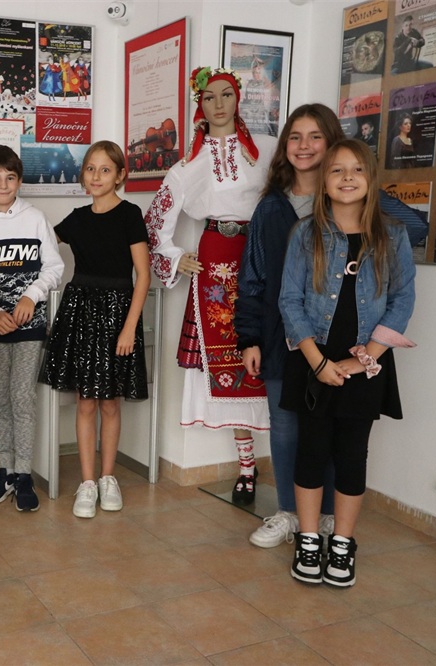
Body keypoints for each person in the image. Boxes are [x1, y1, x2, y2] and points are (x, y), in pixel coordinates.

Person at [236, 103, 428, 549]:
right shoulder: (274, 208)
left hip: (351, 347)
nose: (304, 146)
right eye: (295, 137)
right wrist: (249, 335)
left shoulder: (365, 207)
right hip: (287, 336)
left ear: (332, 144)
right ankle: (291, 514)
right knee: (290, 429)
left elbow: (413, 229)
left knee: (337, 435)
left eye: (315, 137)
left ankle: (327, 520)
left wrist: (363, 194)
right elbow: (254, 276)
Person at [280, 138, 416, 588]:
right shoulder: (306, 233)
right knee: (311, 450)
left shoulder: (392, 235)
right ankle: (308, 539)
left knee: (353, 455)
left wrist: (366, 358)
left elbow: (401, 301)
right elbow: (290, 300)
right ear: (324, 181)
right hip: (313, 358)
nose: (347, 178)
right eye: (337, 170)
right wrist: (318, 363)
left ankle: (342, 542)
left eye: (357, 169)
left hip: (367, 363)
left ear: (371, 179)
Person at [144, 66, 277, 505]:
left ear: (238, 99)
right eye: (209, 97)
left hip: (260, 254)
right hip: (216, 258)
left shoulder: (267, 150)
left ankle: (288, 461)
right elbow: (155, 221)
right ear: (198, 105)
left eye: (226, 95)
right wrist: (174, 256)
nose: (218, 104)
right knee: (230, 360)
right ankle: (246, 466)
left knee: (271, 351)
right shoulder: (187, 166)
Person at [41, 140, 151, 518]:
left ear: (120, 175)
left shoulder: (130, 215)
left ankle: (108, 477)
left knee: (110, 402)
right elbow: (41, 241)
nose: (96, 176)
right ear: (82, 174)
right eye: (90, 168)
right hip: (80, 312)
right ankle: (87, 483)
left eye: (105, 169)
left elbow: (143, 275)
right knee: (85, 401)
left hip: (119, 314)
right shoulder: (76, 218)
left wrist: (129, 327)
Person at [0, 145, 64, 512]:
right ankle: (5, 470)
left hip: (29, 328)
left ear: (20, 181)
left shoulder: (36, 218)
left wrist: (30, 297)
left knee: (22, 397)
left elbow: (54, 268)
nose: (3, 185)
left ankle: (24, 473)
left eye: (10, 178)